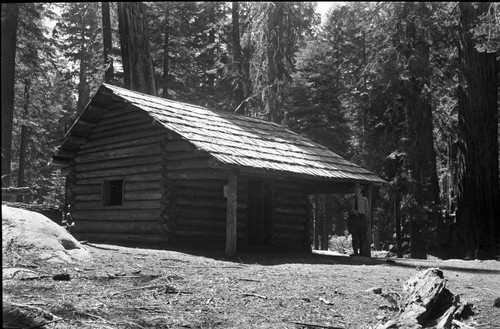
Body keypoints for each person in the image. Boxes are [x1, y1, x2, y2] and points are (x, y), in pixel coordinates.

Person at [347, 183, 369, 256]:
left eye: (358, 189)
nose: (356, 190)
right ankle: (355, 252)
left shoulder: (364, 199)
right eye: (355, 189)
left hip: (361, 218)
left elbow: (367, 210)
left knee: (362, 236)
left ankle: (362, 253)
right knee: (354, 236)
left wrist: (363, 217)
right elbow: (348, 209)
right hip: (353, 218)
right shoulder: (350, 199)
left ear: (360, 190)